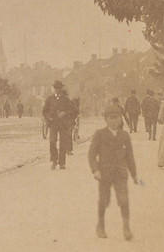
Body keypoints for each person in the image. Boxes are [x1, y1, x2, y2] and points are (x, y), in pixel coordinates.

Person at [88, 104, 138, 241]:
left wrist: (134, 175)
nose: (114, 121)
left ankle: (126, 227)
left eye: (116, 118)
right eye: (110, 118)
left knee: (124, 200)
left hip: (120, 174)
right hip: (104, 174)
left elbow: (129, 156)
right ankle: (101, 225)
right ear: (105, 119)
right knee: (104, 200)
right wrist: (95, 170)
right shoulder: (100, 134)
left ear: (121, 119)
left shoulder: (125, 135)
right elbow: (91, 155)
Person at [42, 80, 77, 170]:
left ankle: (62, 163)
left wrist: (65, 113)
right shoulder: (49, 99)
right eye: (56, 88)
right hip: (53, 123)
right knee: (52, 141)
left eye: (59, 88)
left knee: (63, 143)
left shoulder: (66, 99)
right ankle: (54, 160)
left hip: (63, 124)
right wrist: (48, 118)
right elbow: (44, 111)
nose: (58, 90)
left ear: (61, 89)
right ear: (54, 89)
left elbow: (74, 110)